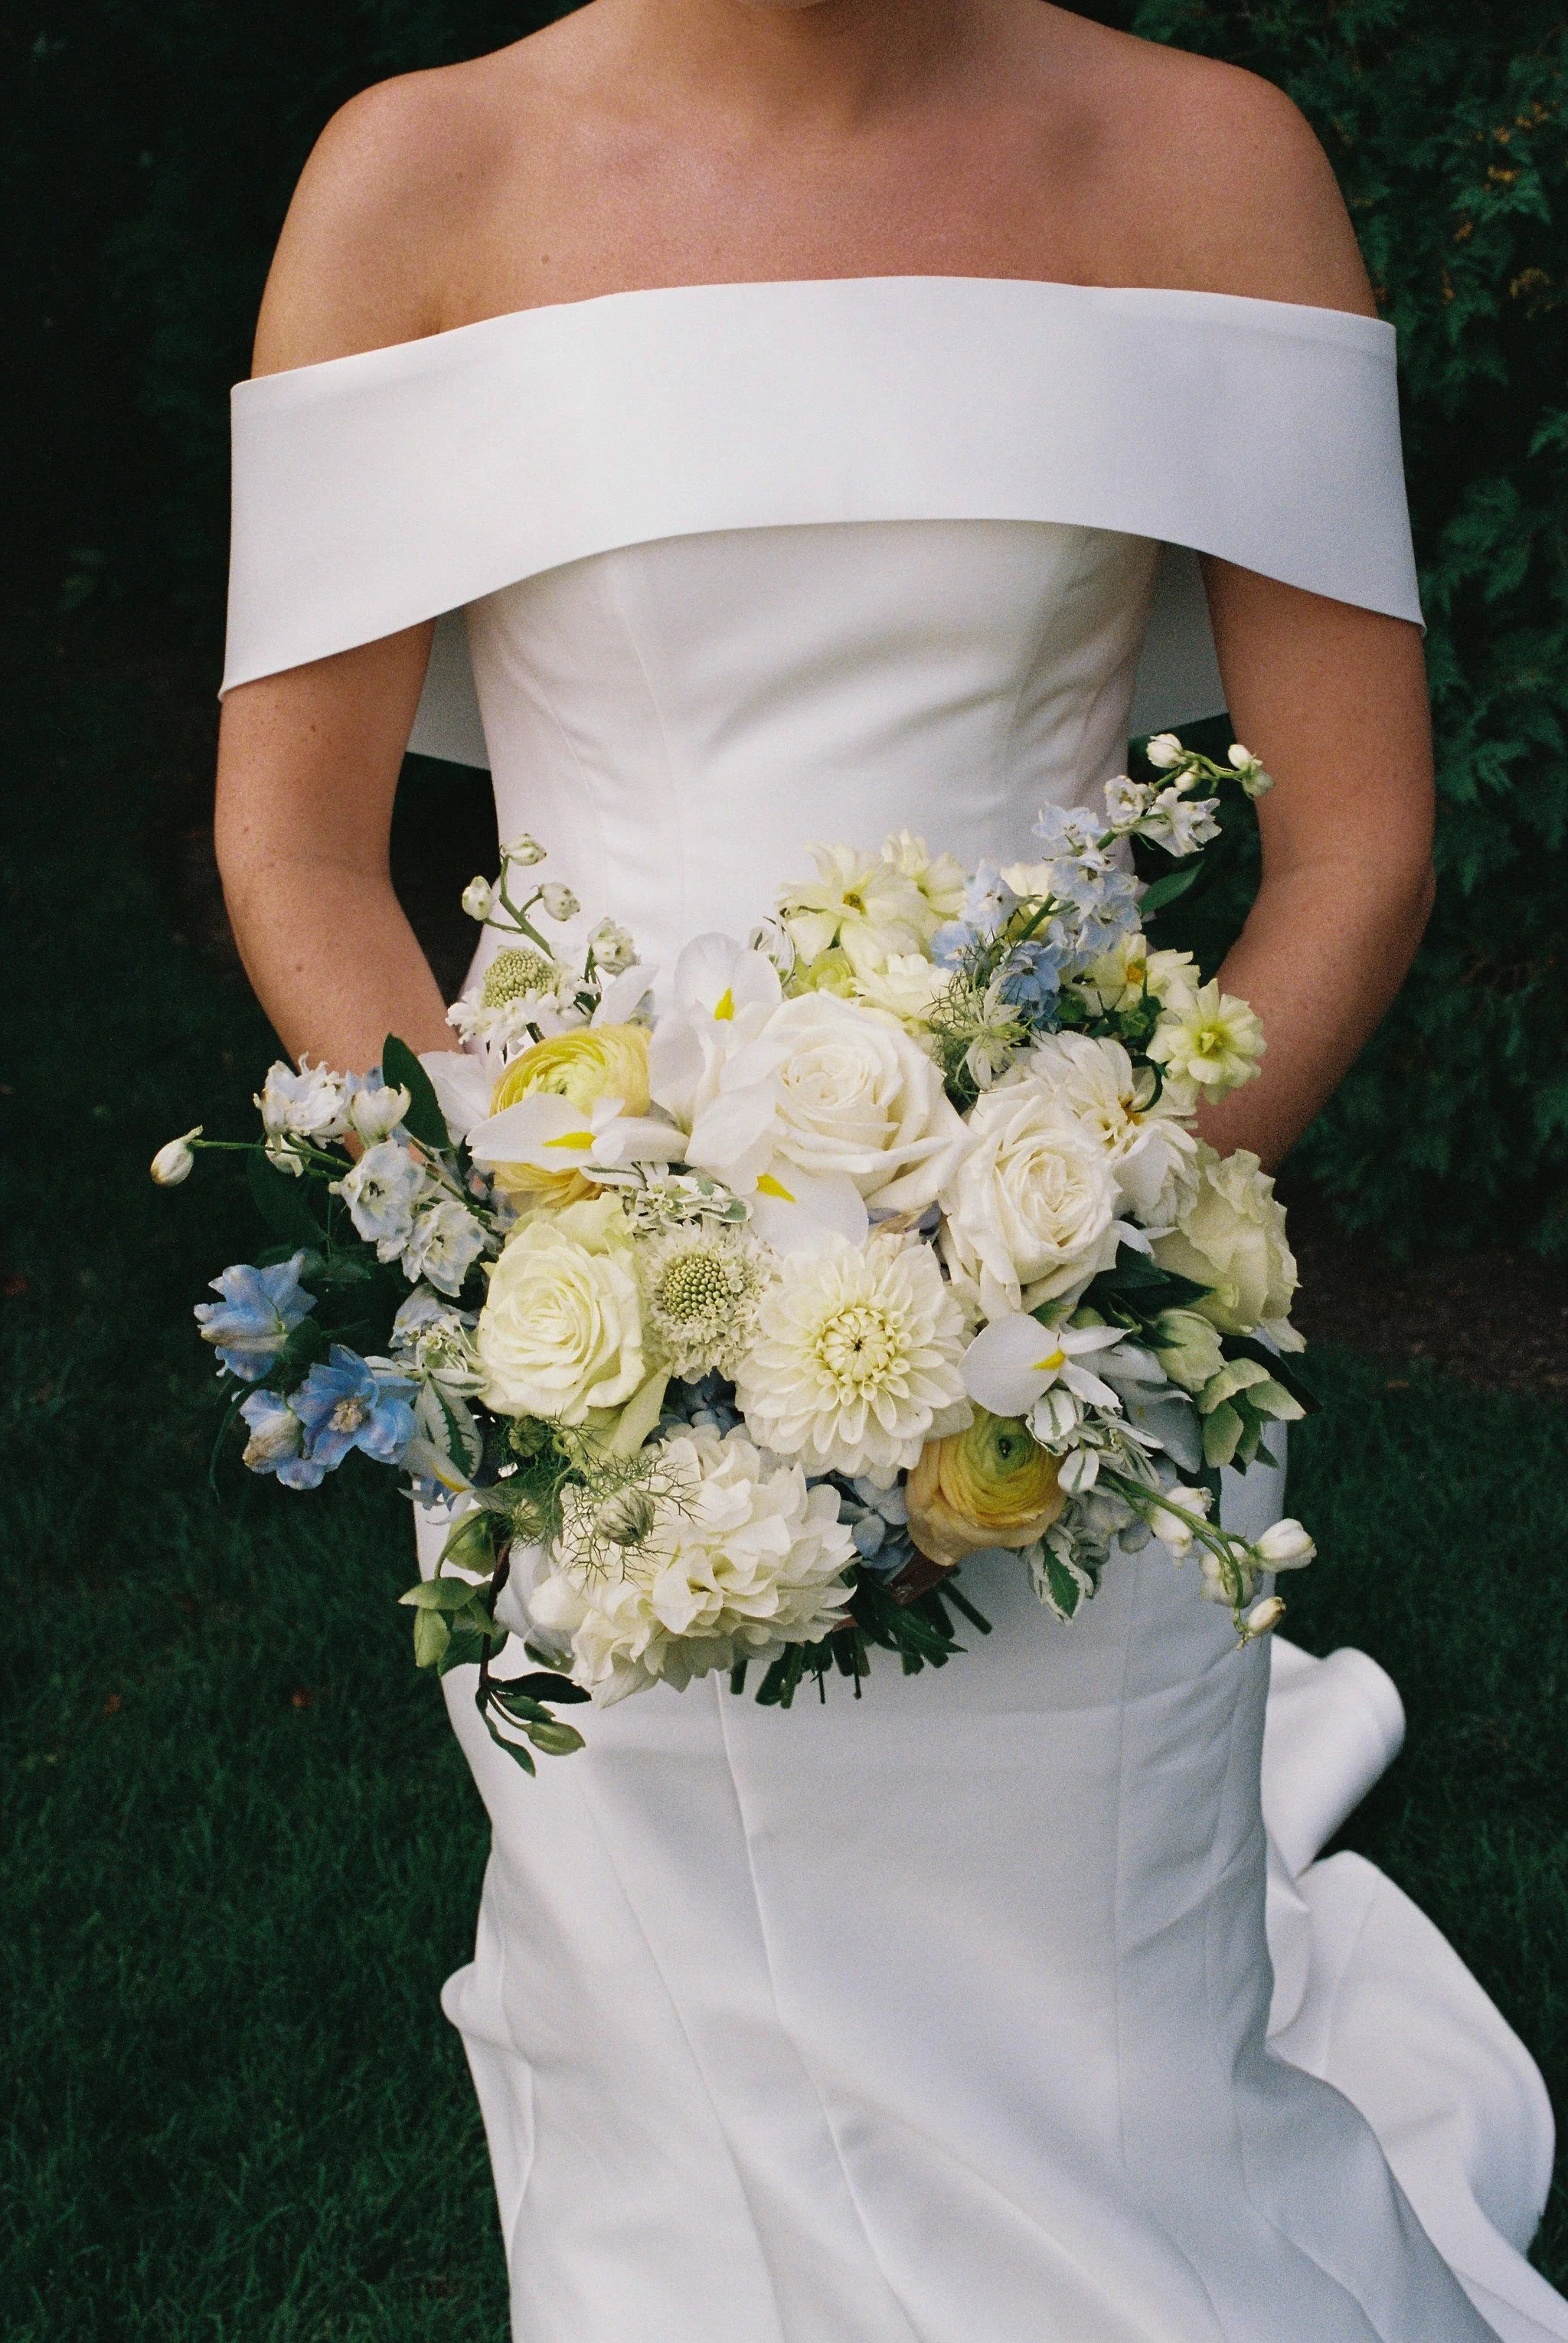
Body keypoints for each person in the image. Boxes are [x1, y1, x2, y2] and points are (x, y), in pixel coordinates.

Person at [213, 5, 1567, 2338]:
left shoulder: (1209, 164)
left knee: (1118, 2082)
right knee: (686, 2081)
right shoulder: (413, 188)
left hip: (1088, 1396)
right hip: (598, 1391)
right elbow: (299, 853)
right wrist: (540, 1275)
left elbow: (1359, 846)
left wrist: (1085, 1270)